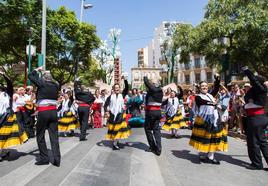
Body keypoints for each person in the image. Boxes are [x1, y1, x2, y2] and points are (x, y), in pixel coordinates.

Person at [189, 74, 228, 164]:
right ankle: (202, 155)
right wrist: (212, 103)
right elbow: (202, 102)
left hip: (213, 119)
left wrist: (217, 79)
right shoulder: (198, 97)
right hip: (203, 120)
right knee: (203, 139)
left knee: (213, 138)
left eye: (206, 86)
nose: (204, 87)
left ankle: (210, 157)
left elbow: (216, 88)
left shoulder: (210, 95)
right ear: (199, 88)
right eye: (202, 86)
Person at [28, 67, 61, 167]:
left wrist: (37, 69)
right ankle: (57, 159)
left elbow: (30, 75)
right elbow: (54, 81)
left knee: (40, 135)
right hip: (53, 112)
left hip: (44, 112)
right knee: (54, 136)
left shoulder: (42, 83)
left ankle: (44, 158)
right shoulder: (56, 85)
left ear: (44, 78)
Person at [242, 66, 268, 171]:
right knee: (262, 141)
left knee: (254, 142)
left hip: (256, 118)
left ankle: (257, 164)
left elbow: (254, 80)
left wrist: (246, 70)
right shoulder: (257, 91)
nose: (252, 81)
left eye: (255, 80)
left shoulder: (260, 89)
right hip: (259, 117)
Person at [0, 71, 28, 161]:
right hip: (2, 117)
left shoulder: (7, 94)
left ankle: (4, 151)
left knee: (5, 135)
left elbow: (10, 84)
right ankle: (4, 151)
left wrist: (4, 74)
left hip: (8, 117)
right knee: (3, 136)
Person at [104, 77, 131, 150]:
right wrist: (106, 112)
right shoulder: (110, 97)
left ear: (119, 89)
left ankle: (115, 143)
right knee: (114, 130)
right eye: (115, 88)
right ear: (113, 89)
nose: (117, 89)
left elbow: (127, 88)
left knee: (118, 129)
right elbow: (106, 105)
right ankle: (115, 143)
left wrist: (125, 80)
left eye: (118, 87)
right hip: (112, 115)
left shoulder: (122, 95)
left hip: (119, 115)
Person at [144, 76, 163, 156]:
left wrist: (145, 77)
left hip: (151, 112)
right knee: (156, 130)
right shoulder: (160, 90)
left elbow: (146, 82)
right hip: (158, 112)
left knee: (147, 129)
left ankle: (153, 147)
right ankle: (158, 148)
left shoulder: (154, 89)